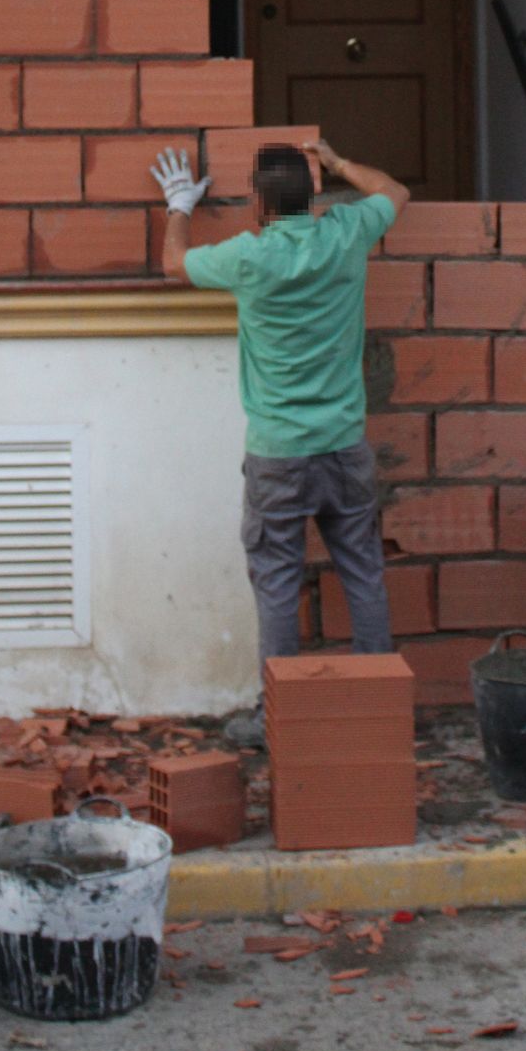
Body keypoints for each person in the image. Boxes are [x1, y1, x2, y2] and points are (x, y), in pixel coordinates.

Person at [152, 136, 411, 744]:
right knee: (363, 574)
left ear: (260, 206)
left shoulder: (249, 257)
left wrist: (179, 204)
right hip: (345, 447)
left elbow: (173, 264)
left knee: (276, 582)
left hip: (278, 455)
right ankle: (378, 710)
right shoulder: (346, 233)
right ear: (313, 194)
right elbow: (394, 191)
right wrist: (340, 159)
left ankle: (282, 721)